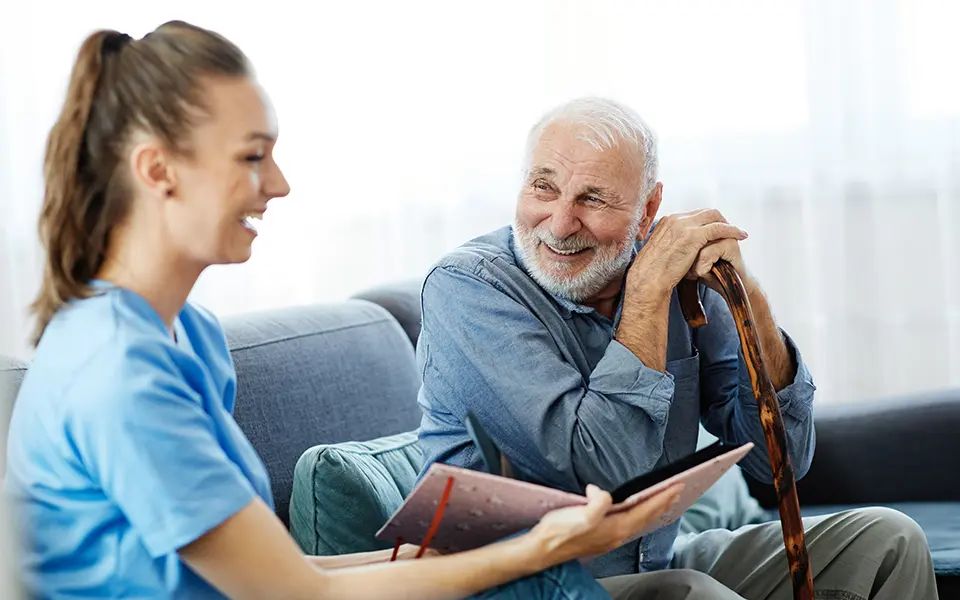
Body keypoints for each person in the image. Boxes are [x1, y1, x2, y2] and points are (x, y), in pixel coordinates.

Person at [1, 23, 691, 600]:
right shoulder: (118, 373)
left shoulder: (189, 338)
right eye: (253, 157)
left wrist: (435, 565)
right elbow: (302, 598)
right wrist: (541, 546)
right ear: (157, 170)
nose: (279, 184)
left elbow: (282, 575)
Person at [415, 97, 939, 599]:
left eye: (592, 198)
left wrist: (747, 291)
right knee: (692, 593)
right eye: (543, 188)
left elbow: (782, 460)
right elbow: (603, 471)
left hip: (656, 565)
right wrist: (645, 294)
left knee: (887, 541)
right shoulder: (468, 290)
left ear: (648, 211)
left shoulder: (672, 276)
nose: (560, 222)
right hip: (533, 585)